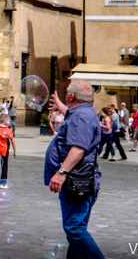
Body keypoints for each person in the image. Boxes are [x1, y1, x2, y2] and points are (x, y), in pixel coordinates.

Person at [45, 81, 105, 259]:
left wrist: (61, 173)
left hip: (76, 180)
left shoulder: (81, 117)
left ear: (71, 96)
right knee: (77, 230)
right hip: (82, 179)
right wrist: (60, 105)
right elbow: (73, 116)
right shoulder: (83, 112)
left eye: (66, 91)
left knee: (74, 229)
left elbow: (78, 149)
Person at [0, 111, 16, 186]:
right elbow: (12, 141)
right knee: (4, 166)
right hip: (4, 150)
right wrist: (15, 151)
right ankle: (3, 183)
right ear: (3, 120)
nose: (9, 121)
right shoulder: (8, 130)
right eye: (8, 120)